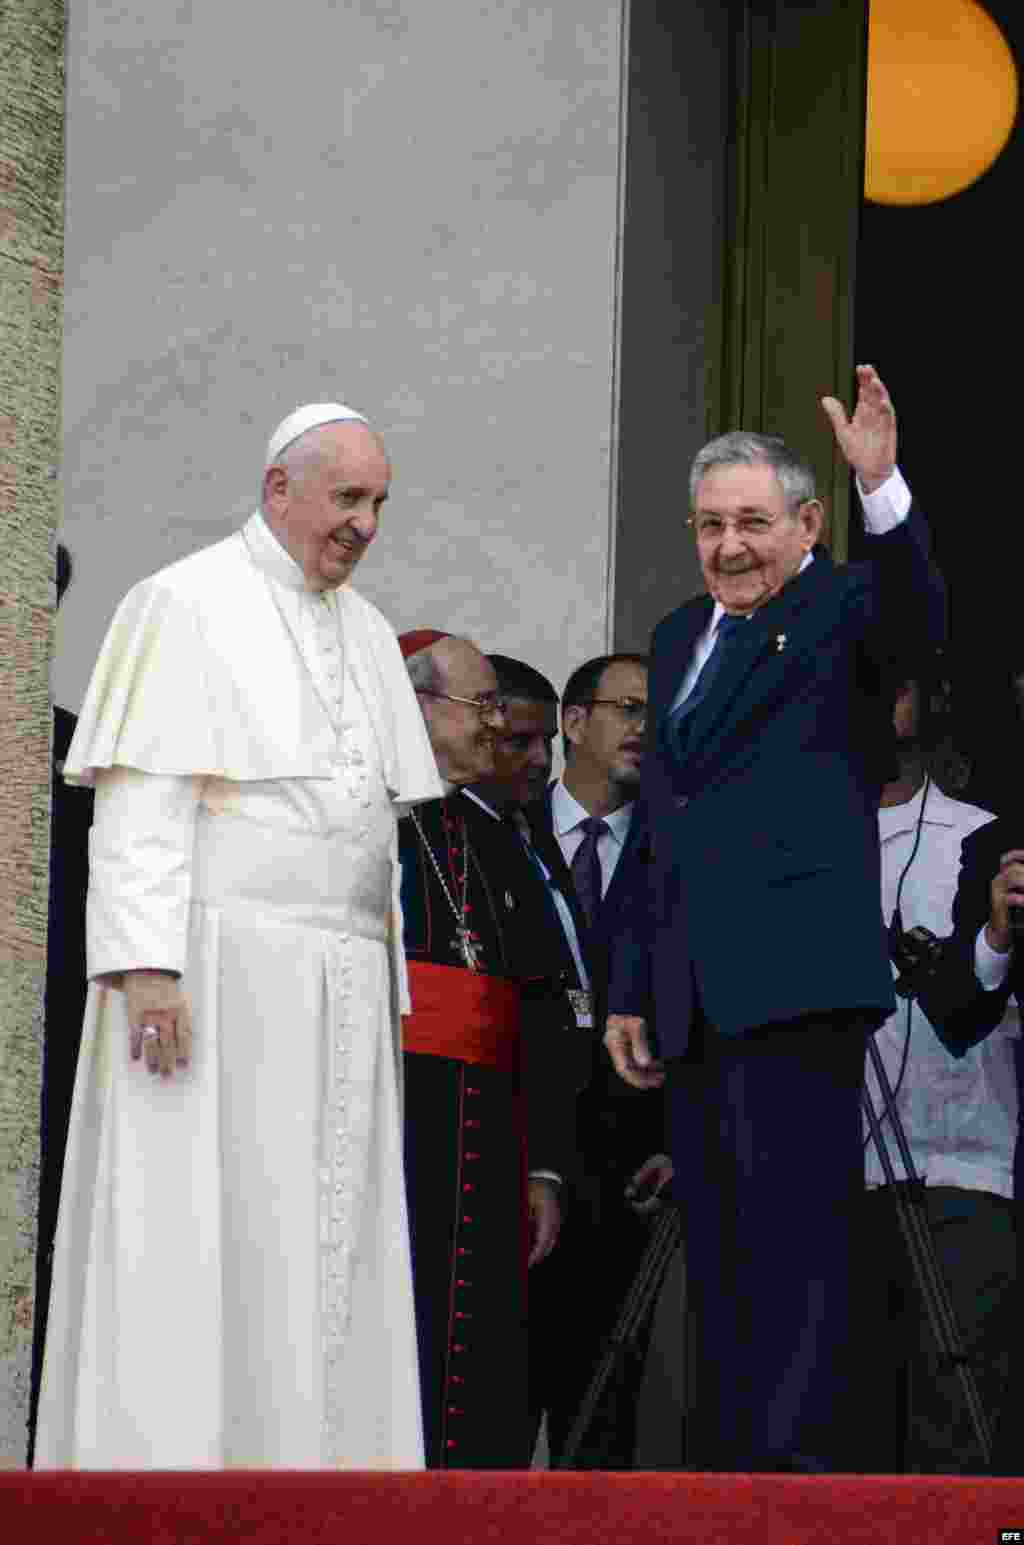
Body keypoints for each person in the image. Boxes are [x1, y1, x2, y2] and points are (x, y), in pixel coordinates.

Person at [35, 403, 442, 1470]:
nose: (363, 524)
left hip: (341, 984)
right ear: (279, 489)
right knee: (205, 1235)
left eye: (377, 504)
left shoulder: (363, 625)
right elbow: (142, 804)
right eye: (346, 498)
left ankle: (325, 1474)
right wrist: (147, 970)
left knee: (327, 1249)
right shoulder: (185, 602)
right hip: (216, 978)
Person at [604, 365, 946, 1472]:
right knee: (719, 1251)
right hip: (695, 994)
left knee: (797, 1249)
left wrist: (881, 490)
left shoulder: (840, 608)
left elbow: (916, 623)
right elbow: (657, 819)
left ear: (805, 524)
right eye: (710, 525)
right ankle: (731, 1479)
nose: (730, 545)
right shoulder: (671, 639)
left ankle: (794, 1489)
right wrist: (627, 986)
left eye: (753, 521)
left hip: (797, 983)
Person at [398, 632, 576, 1469]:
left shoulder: (503, 840)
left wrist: (543, 1165)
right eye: (483, 707)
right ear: (419, 708)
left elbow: (543, 1013)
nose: (497, 725)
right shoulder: (369, 825)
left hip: (491, 1145)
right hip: (396, 1135)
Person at [856, 673, 1017, 1473]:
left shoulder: (984, 836)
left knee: (954, 1435)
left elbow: (976, 1006)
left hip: (957, 1170)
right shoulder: (783, 837)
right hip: (823, 1183)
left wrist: (992, 935)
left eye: (889, 681)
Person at [523, 653, 675, 1467]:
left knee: (606, 1422)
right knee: (496, 1417)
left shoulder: (674, 847)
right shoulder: (509, 829)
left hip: (630, 1170)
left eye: (658, 715)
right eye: (628, 710)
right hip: (518, 1162)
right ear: (574, 723)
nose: (645, 731)